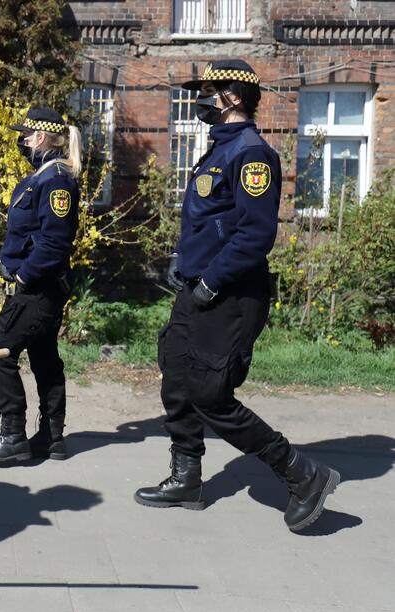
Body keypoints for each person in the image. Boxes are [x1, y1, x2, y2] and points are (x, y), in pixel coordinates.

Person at [133, 60, 340, 531]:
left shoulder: (251, 154)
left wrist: (211, 280)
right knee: (177, 374)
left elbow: (255, 234)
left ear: (234, 97)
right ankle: (186, 477)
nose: (201, 97)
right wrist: (185, 266)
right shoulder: (219, 149)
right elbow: (211, 223)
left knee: (210, 393)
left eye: (209, 89)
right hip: (196, 286)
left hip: (229, 294)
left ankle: (302, 473)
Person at [0, 107, 81, 463]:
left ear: (41, 137)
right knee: (45, 359)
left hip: (38, 290)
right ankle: (52, 438)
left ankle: (13, 435)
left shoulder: (55, 182)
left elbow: (53, 243)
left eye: (26, 134)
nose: (22, 140)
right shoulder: (44, 177)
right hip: (41, 288)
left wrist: (22, 275)